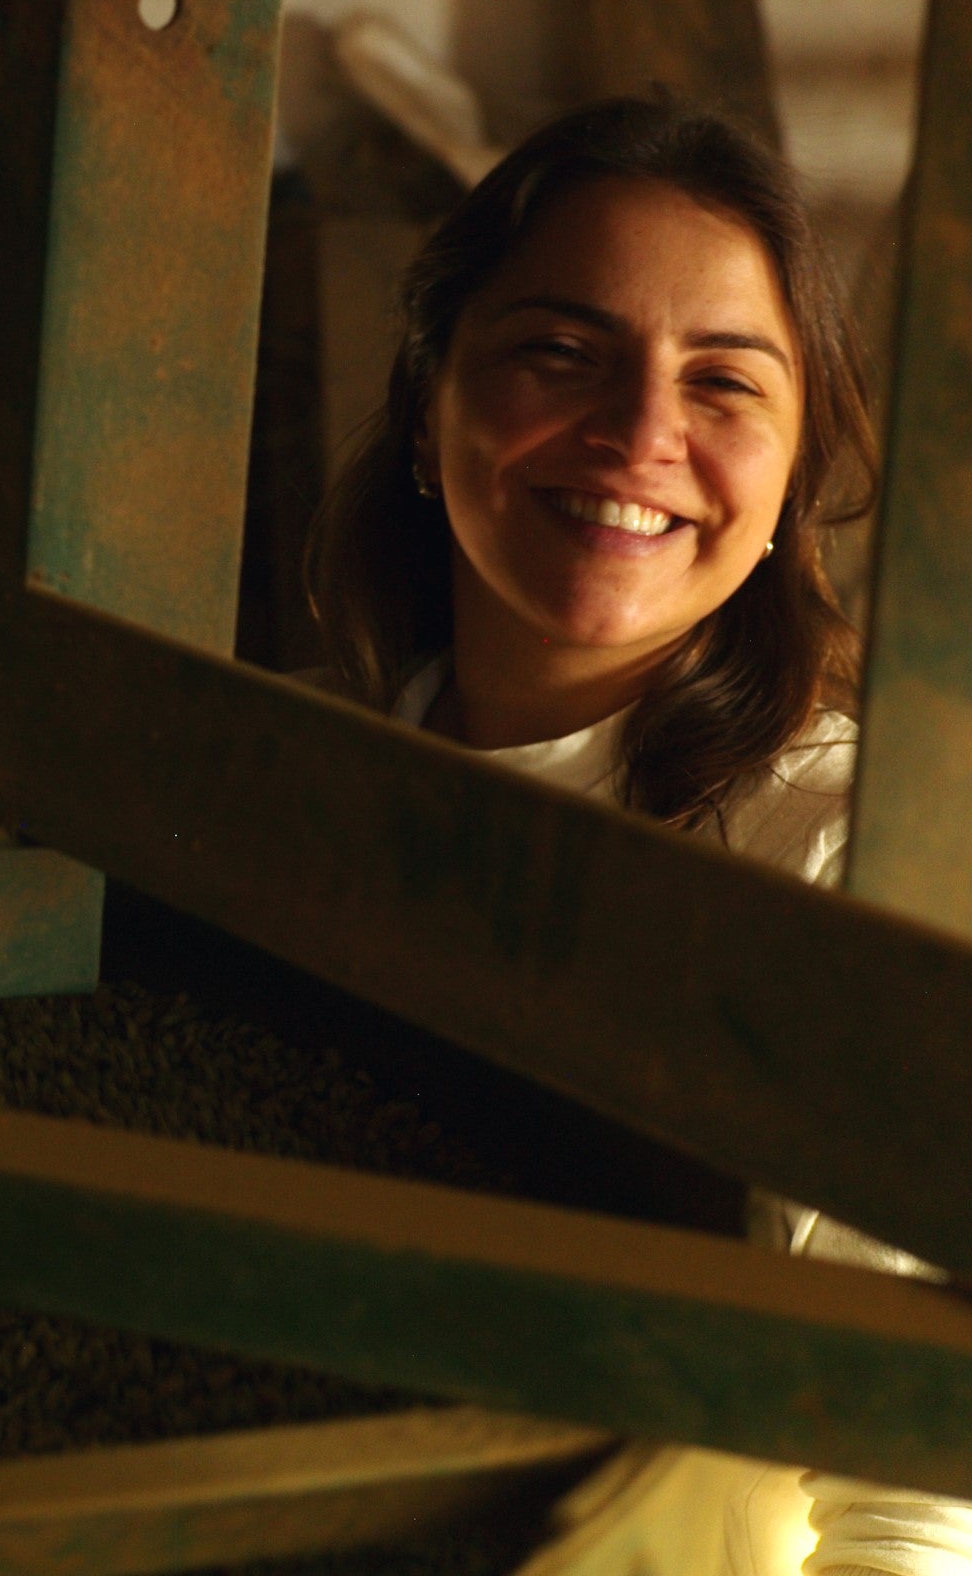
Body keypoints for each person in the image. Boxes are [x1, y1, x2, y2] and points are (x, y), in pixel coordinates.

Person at [304, 94, 967, 1576]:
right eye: (560, 352)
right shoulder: (294, 770)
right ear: (431, 405)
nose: (639, 434)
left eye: (723, 384)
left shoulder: (845, 859)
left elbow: (915, 1503)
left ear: (794, 477)